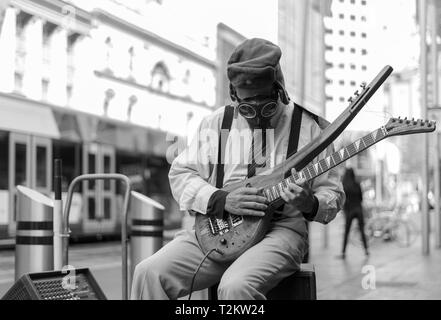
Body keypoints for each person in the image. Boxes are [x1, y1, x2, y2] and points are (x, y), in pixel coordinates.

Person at [131, 38, 345, 300]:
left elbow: (332, 194)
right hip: (219, 229)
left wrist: (310, 202)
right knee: (148, 273)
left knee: (235, 287)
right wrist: (220, 199)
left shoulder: (309, 128)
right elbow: (181, 174)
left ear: (280, 91)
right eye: (246, 107)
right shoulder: (218, 122)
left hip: (281, 231)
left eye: (265, 106)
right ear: (234, 95)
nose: (256, 116)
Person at [339, 167, 369, 259]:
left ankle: (343, 252)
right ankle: (366, 250)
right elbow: (361, 198)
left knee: (347, 231)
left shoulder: (344, 185)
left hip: (349, 211)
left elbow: (342, 200)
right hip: (358, 209)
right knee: (362, 231)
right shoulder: (357, 184)